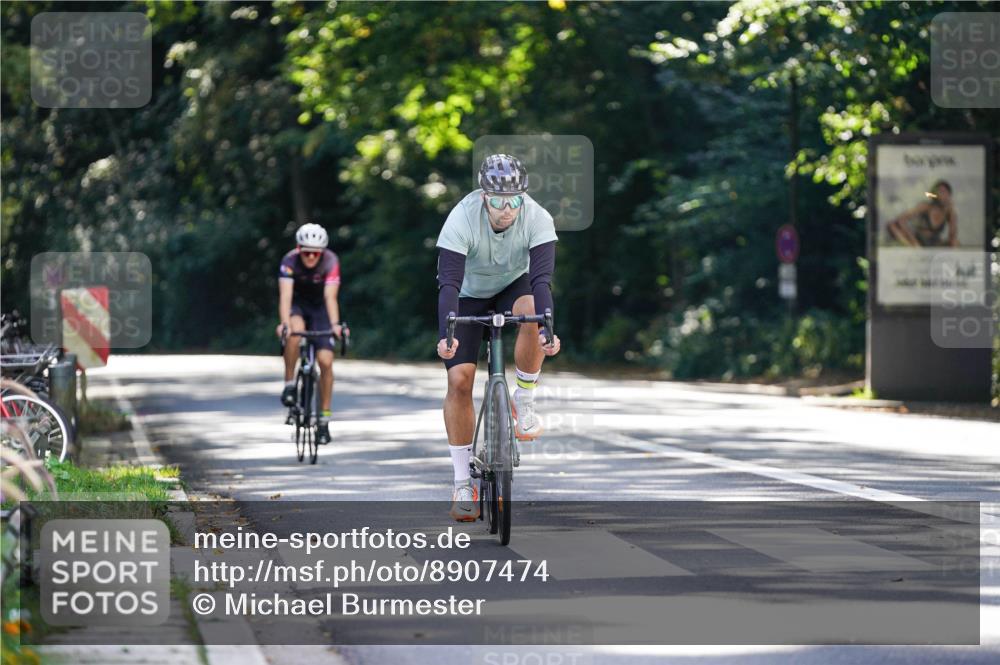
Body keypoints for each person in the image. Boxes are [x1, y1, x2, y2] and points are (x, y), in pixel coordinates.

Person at [436, 154, 562, 522]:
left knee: (531, 312)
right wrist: (447, 332)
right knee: (459, 381)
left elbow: (541, 282)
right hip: (466, 294)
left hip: (514, 287)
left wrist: (547, 330)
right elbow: (448, 283)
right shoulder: (461, 218)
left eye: (515, 200)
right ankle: (462, 482)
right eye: (497, 200)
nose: (507, 209)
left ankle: (524, 398)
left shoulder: (538, 218)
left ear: (524, 197)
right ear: (483, 196)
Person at [275, 223, 343, 445]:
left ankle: (323, 420)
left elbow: (330, 297)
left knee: (325, 361)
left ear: (322, 251)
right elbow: (285, 296)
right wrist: (284, 323)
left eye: (316, 252)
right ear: (298, 249)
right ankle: (289, 385)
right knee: (293, 333)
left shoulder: (331, 261)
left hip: (320, 309)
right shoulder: (289, 261)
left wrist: (335, 325)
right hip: (297, 306)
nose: (311, 257)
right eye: (307, 252)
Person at [886, 180, 958, 248]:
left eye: (945, 192)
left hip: (934, 242)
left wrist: (952, 213)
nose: (942, 195)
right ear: (934, 194)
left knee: (956, 242)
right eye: (940, 191)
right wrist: (914, 241)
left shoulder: (949, 211)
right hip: (918, 240)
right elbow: (901, 219)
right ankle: (913, 248)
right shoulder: (925, 206)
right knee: (892, 225)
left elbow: (952, 235)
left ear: (949, 195)